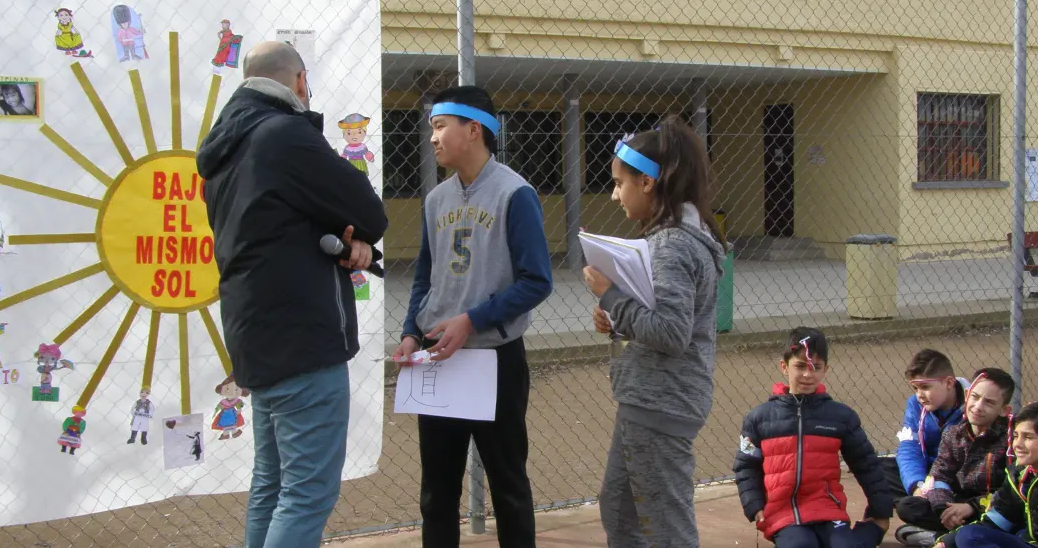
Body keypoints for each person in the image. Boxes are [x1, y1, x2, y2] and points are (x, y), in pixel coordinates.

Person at [197, 40, 388, 548]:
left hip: (256, 336)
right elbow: (369, 212)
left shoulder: (226, 149)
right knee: (306, 494)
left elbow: (278, 224)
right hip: (303, 338)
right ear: (300, 81)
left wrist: (340, 236)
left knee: (272, 483)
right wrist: (353, 235)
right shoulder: (285, 134)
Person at [391, 85, 554, 548]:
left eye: (441, 126)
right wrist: (410, 332)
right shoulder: (435, 199)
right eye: (432, 128)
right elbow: (425, 278)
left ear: (474, 130)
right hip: (439, 359)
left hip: (493, 360)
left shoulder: (515, 193)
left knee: (508, 486)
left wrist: (473, 320)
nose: (432, 138)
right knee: (436, 492)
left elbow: (537, 281)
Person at [580, 118, 725, 547]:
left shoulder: (672, 244)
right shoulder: (676, 235)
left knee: (665, 528)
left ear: (647, 183)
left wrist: (609, 295)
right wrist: (616, 316)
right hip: (650, 400)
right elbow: (664, 314)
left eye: (619, 183)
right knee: (620, 510)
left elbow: (671, 332)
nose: (614, 194)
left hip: (661, 403)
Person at [734, 327, 893, 548]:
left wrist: (881, 510)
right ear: (784, 366)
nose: (808, 375)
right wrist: (754, 505)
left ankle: (871, 531)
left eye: (815, 367)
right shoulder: (758, 418)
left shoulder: (841, 416)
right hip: (783, 514)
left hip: (827, 508)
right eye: (800, 366)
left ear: (825, 370)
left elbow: (866, 463)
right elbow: (746, 465)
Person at [937, 401, 1038, 548]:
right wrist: (946, 542)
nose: (1017, 444)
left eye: (1028, 437)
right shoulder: (1022, 473)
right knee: (968, 535)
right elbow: (998, 520)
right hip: (1030, 542)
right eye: (1016, 436)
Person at [895, 368, 1014, 548]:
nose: (978, 406)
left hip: (991, 507)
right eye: (975, 397)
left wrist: (973, 507)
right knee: (908, 506)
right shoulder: (954, 434)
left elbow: (1012, 491)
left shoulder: (1011, 439)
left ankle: (939, 538)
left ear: (1004, 410)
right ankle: (953, 536)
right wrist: (944, 509)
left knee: (1006, 518)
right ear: (967, 395)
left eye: (989, 402)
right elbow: (939, 475)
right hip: (957, 505)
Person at [889, 349, 971, 503]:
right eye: (915, 388)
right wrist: (917, 486)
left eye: (925, 387)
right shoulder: (915, 404)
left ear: (948, 383)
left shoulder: (973, 406)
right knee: (878, 470)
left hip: (957, 474)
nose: (919, 395)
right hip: (927, 472)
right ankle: (926, 501)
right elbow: (909, 448)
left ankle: (937, 504)